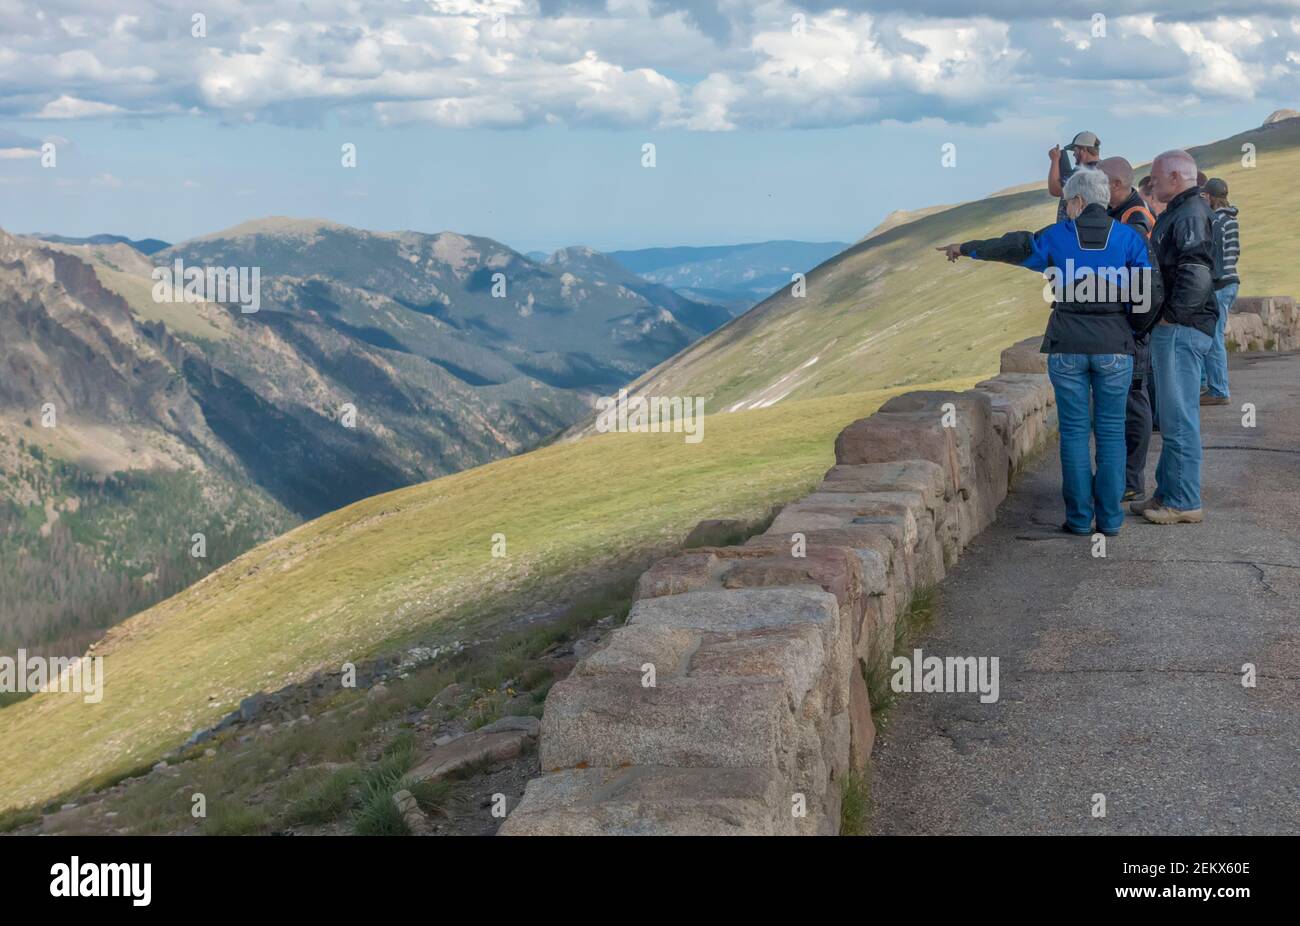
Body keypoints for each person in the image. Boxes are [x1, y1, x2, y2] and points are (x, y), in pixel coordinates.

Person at [937, 167, 1161, 536]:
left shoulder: (1058, 236)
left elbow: (1014, 246)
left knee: (1073, 433)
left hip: (1068, 345)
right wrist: (1132, 331)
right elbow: (1150, 294)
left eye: (1067, 202)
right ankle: (1110, 520)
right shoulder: (1129, 239)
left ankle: (1078, 519)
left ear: (1077, 201)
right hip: (1115, 348)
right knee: (1110, 433)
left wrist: (967, 249)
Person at [1133, 150, 1219, 525]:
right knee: (1172, 414)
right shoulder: (1183, 211)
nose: (1151, 184)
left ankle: (1183, 501)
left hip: (1182, 328)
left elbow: (1197, 272)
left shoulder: (1190, 215)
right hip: (1180, 326)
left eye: (1154, 177)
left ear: (1174, 176)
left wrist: (1170, 317)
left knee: (1178, 416)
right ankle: (1167, 492)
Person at [1099, 157, 1160, 501]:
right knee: (1127, 400)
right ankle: (1122, 477)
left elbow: (1125, 263)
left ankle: (1130, 480)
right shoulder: (1123, 212)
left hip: (1133, 322)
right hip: (1127, 319)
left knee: (1133, 399)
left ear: (1117, 185)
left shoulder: (1135, 217)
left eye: (1102, 184)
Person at [1200, 177, 1239, 406]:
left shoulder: (1217, 220)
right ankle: (1212, 385)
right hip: (1232, 280)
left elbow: (1212, 253)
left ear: (1211, 197)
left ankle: (1218, 390)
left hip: (1220, 284)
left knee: (1214, 337)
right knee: (1214, 335)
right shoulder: (1232, 218)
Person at [1049, 131, 1102, 222]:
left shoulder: (1080, 173)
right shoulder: (1106, 169)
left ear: (1084, 149)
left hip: (1075, 230)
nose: (1074, 154)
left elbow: (1055, 190)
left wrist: (1055, 160)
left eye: (1075, 150)